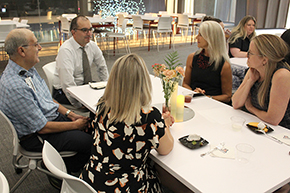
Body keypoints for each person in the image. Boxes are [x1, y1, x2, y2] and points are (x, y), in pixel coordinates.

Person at [0, 28, 93, 176]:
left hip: (48, 122)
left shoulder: (28, 70)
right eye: (36, 44)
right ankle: (61, 171)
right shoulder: (16, 86)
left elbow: (47, 100)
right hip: (37, 137)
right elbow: (41, 128)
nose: (40, 48)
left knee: (93, 125)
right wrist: (74, 125)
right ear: (22, 51)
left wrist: (70, 114)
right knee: (92, 141)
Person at [80, 53, 175, 192]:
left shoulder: (103, 105)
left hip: (92, 181)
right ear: (143, 82)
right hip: (127, 187)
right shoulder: (149, 117)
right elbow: (166, 149)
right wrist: (164, 124)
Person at [232, 34, 290, 129]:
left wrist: (250, 108)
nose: (247, 55)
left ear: (264, 60)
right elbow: (236, 103)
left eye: (250, 53)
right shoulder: (254, 70)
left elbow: (273, 119)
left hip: (278, 132)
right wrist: (250, 81)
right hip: (255, 123)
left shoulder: (281, 75)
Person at [53, 15, 109, 108]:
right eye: (84, 30)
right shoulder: (66, 50)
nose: (89, 33)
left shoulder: (92, 46)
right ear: (73, 32)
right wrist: (80, 104)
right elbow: (67, 83)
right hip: (64, 92)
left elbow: (102, 68)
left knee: (109, 100)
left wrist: (108, 90)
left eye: (90, 29)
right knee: (97, 104)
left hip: (85, 86)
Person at [182, 21, 232, 104]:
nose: (196, 37)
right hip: (194, 101)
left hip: (213, 104)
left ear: (211, 38)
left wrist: (207, 98)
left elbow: (227, 96)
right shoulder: (192, 58)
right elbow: (185, 84)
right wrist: (193, 93)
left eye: (200, 35)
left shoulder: (224, 65)